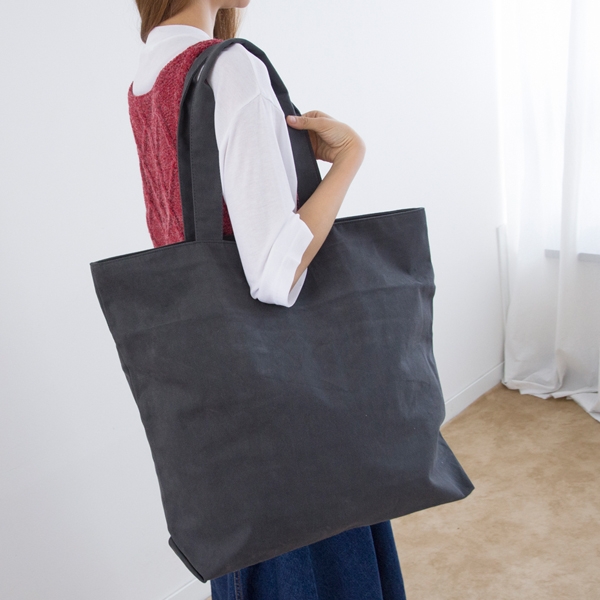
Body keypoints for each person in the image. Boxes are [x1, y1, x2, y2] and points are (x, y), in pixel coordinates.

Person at [129, 1, 407, 598]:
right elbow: (275, 272)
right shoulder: (231, 68)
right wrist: (350, 157)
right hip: (290, 399)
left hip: (216, 388)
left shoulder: (147, 77)